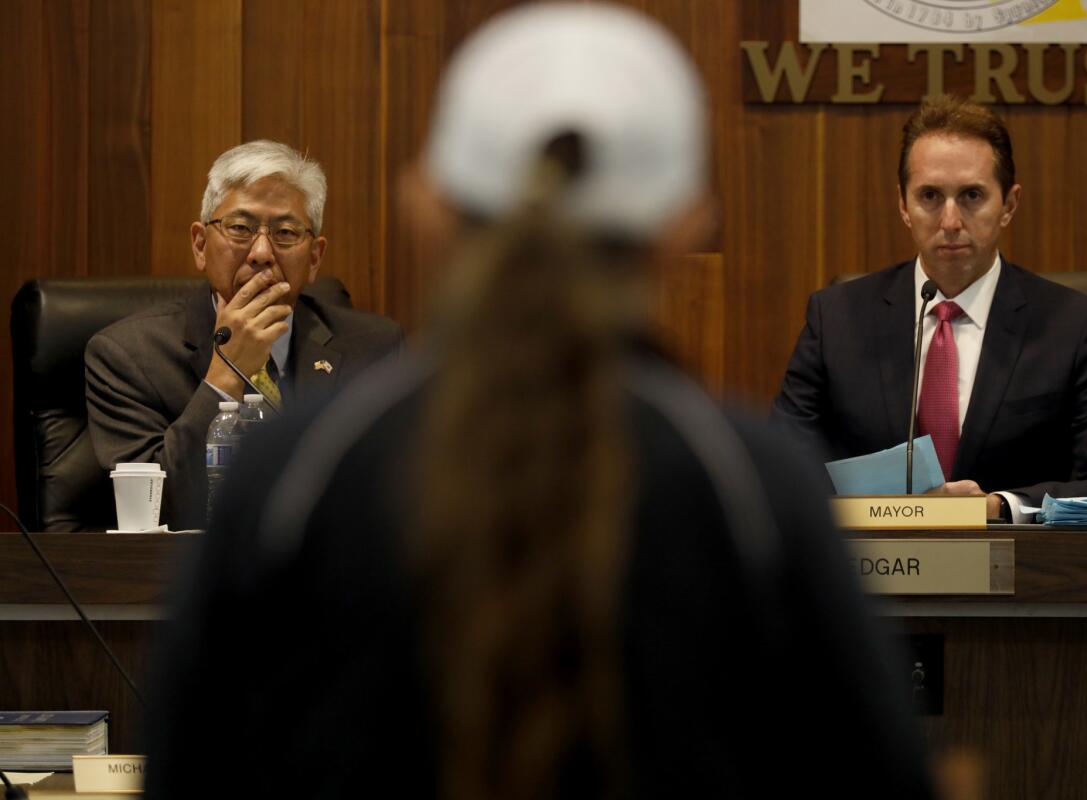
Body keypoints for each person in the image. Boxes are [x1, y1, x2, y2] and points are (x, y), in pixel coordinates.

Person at [143, 5, 934, 798]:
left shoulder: (296, 473)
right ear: (684, 223)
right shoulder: (752, 486)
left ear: (427, 207)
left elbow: (189, 767)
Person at [772, 95, 1087, 522]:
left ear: (1009, 204)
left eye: (972, 195)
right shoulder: (837, 319)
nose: (951, 221)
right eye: (930, 196)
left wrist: (996, 506)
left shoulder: (1072, 327)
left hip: (1023, 578)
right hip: (875, 577)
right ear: (903, 205)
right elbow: (776, 470)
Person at [84, 141, 404, 530]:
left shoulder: (375, 349)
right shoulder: (126, 356)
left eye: (285, 232)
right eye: (240, 228)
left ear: (315, 257)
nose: (262, 252)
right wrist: (226, 374)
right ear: (201, 245)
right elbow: (155, 514)